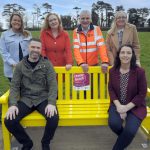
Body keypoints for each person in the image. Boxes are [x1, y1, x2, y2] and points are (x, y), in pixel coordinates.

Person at [4, 38, 59, 150]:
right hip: (26, 99)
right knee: (9, 120)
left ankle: (45, 143)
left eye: (38, 48)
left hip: (43, 99)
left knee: (53, 118)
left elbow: (53, 85)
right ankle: (27, 143)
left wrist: (51, 103)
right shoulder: (20, 66)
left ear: (40, 50)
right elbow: (14, 86)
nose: (35, 50)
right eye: (33, 47)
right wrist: (13, 104)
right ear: (28, 48)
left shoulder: (47, 65)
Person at [108, 45, 147, 150]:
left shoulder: (139, 72)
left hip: (135, 106)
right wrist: (119, 106)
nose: (125, 55)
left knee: (130, 130)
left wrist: (125, 108)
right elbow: (111, 89)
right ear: (119, 55)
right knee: (114, 124)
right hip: (117, 104)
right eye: (123, 52)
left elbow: (142, 93)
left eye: (128, 53)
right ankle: (125, 138)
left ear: (132, 55)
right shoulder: (112, 71)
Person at [0, 13, 32, 82]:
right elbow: (4, 52)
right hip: (12, 70)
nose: (16, 22)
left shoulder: (27, 33)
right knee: (16, 90)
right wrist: (14, 64)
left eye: (19, 21)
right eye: (14, 20)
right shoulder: (4, 35)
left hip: (27, 68)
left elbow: (31, 49)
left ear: (21, 23)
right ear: (11, 21)